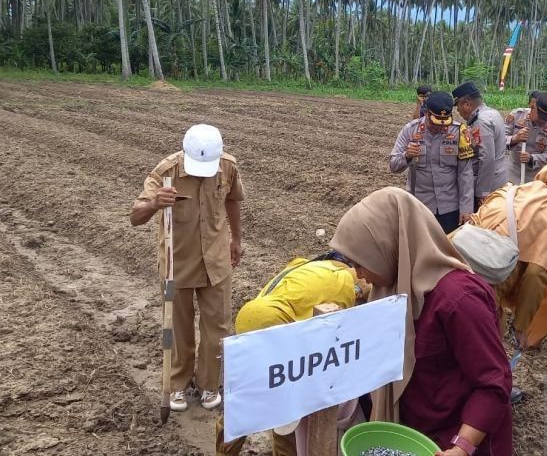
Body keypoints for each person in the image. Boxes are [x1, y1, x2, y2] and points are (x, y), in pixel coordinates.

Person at [330, 187, 513, 456]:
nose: (359, 275)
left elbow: (493, 382)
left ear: (388, 248)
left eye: (361, 264)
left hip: (456, 439)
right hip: (416, 433)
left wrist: (462, 446)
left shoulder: (458, 299)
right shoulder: (391, 289)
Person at [130, 124, 244, 412]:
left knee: (217, 326)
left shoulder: (227, 167)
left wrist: (237, 239)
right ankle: (178, 384)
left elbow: (233, 200)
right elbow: (135, 216)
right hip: (176, 261)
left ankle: (209, 383)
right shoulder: (166, 171)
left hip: (216, 260)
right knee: (178, 327)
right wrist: (156, 203)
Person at [216, 251, 371, 455]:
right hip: (275, 323)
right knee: (263, 402)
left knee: (265, 399)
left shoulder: (322, 277)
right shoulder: (341, 287)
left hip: (266, 319)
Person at [468, 162, 547, 350]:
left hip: (451, 269)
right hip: (484, 293)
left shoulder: (509, 191)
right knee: (482, 356)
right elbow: (536, 275)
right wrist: (520, 326)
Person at [390, 91, 475, 233]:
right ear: (427, 113)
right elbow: (393, 165)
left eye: (444, 123)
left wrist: (466, 208)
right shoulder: (410, 130)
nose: (440, 127)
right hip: (420, 206)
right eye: (435, 123)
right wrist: (407, 156)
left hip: (450, 208)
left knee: (449, 249)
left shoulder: (459, 132)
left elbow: (465, 173)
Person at [453, 81, 508, 211]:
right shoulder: (492, 113)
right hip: (498, 179)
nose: (458, 111)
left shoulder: (480, 122)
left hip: (489, 185)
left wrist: (482, 192)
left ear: (467, 103)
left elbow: (487, 159)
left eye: (458, 106)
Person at [505, 90, 547, 183]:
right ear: (533, 107)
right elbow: (499, 140)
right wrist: (515, 138)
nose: (543, 121)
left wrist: (531, 158)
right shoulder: (516, 116)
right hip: (511, 173)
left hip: (536, 177)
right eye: (541, 117)